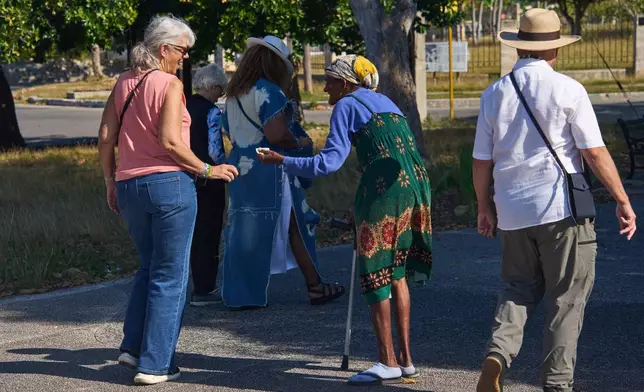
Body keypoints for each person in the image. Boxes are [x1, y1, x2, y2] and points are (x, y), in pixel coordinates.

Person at [472, 8, 637, 392]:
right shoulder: (568, 89)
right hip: (561, 210)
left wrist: (484, 206)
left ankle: (497, 354)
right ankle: (557, 384)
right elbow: (593, 153)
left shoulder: (493, 94)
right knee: (566, 299)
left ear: (518, 49)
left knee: (516, 288)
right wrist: (622, 198)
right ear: (555, 50)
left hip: (512, 212)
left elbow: (481, 160)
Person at [259, 55, 433, 386]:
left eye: (329, 80)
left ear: (346, 83)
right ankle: (406, 360)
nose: (324, 87)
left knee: (376, 270)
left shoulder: (348, 105)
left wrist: (283, 160)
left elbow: (328, 163)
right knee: (397, 272)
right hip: (415, 187)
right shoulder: (387, 103)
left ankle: (387, 361)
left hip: (384, 190)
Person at [97, 15, 238, 385]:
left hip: (129, 186)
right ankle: (157, 364)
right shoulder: (170, 85)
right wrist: (208, 171)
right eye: (182, 51)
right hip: (168, 186)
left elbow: (105, 137)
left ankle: (132, 348)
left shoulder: (123, 82)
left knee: (148, 267)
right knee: (171, 275)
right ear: (164, 49)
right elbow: (171, 142)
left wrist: (110, 182)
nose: (184, 59)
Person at [221, 35, 345, 309]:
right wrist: (299, 142)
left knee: (243, 230)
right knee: (296, 224)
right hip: (270, 168)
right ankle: (315, 286)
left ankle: (240, 294)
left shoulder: (234, 92)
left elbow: (228, 130)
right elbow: (276, 134)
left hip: (241, 168)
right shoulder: (269, 91)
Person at [186, 64, 229, 306]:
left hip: (185, 176)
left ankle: (189, 283)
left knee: (190, 233)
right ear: (212, 87)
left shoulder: (183, 106)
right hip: (208, 178)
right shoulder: (212, 112)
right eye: (220, 90)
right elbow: (215, 150)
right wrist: (225, 168)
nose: (221, 96)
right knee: (209, 231)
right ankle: (205, 288)